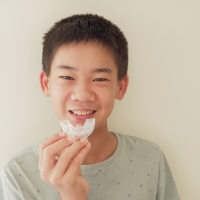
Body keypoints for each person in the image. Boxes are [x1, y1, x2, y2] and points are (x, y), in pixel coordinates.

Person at [0, 13, 180, 200]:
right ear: (46, 84)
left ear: (120, 87)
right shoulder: (17, 173)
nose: (83, 94)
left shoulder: (150, 159)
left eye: (100, 79)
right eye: (67, 77)